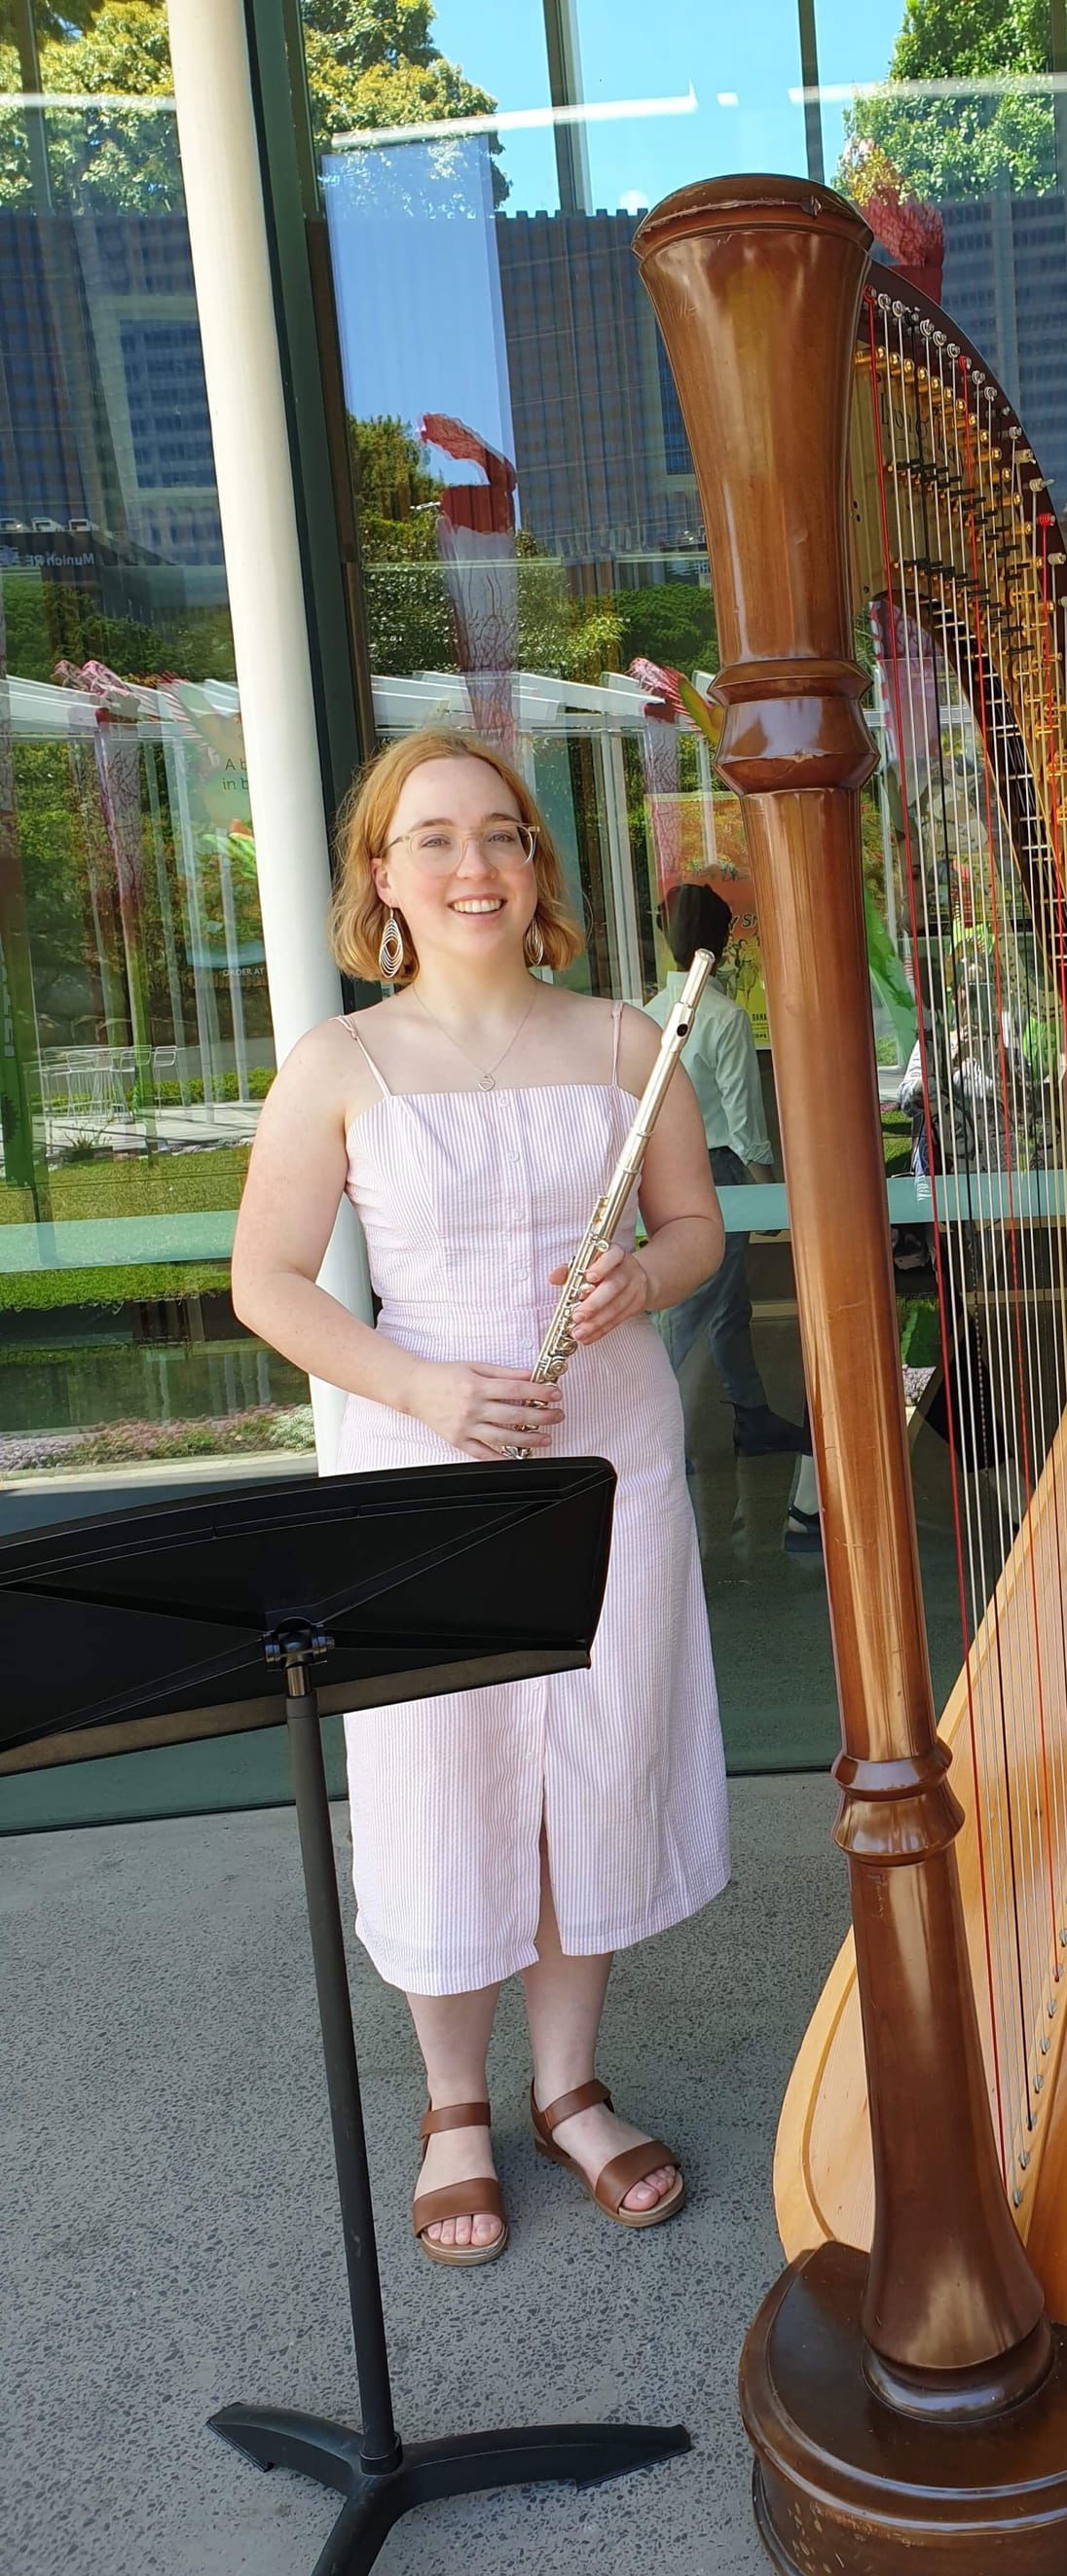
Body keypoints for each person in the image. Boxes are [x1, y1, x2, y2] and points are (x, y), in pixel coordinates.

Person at [232, 725, 731, 2267]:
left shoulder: (628, 1039)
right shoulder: (343, 1060)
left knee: (590, 1765)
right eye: (433, 838)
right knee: (441, 1776)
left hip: (610, 1458)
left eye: (501, 834)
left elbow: (699, 1229)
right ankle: (457, 2102)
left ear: (537, 868)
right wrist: (426, 1386)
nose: (473, 864)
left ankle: (569, 2082)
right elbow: (262, 1281)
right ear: (380, 876)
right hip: (416, 1466)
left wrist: (640, 1275)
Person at [650, 883, 809, 1462]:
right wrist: (770, 1193)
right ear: (722, 942)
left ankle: (751, 1414)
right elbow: (744, 1121)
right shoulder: (723, 1016)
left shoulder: (645, 1014)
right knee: (695, 1309)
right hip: (717, 1172)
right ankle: (662, 1439)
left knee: (723, 1303)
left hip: (660, 1172)